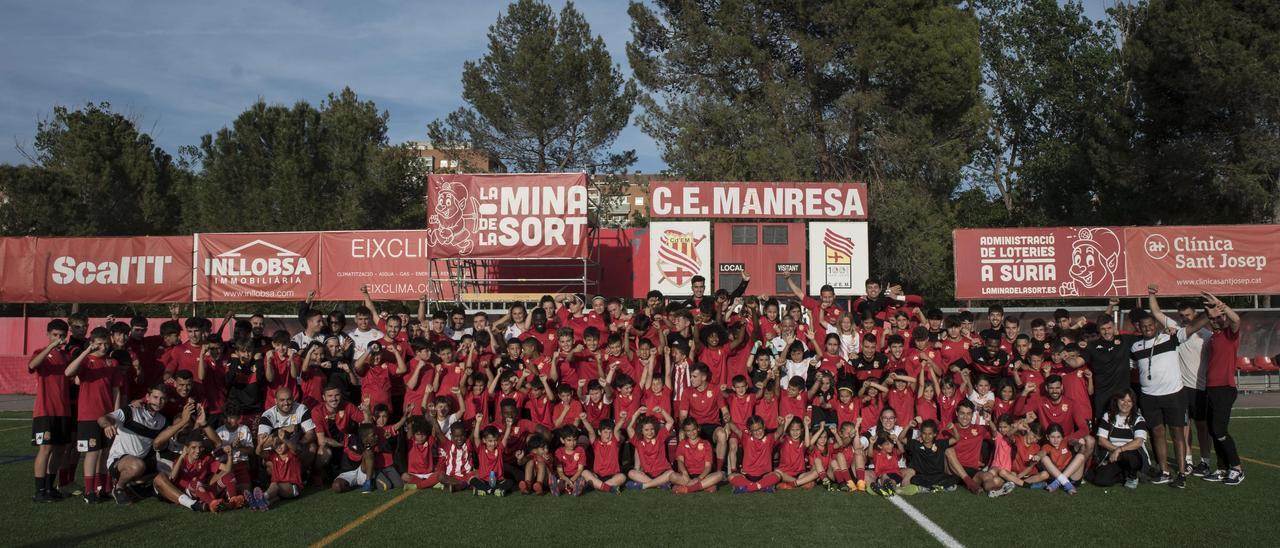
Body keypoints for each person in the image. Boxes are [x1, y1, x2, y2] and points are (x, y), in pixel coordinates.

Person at [1134, 285, 1209, 488]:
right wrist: (1150, 294)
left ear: (1156, 326)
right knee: (1157, 433)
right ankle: (1165, 470)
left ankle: (1183, 473)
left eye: (1151, 325)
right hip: (1149, 397)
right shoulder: (1135, 346)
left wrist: (1208, 312)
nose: (1148, 328)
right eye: (1143, 326)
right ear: (1138, 328)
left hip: (1174, 395)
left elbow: (1193, 327)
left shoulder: (1170, 337)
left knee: (1178, 434)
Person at [98, 385, 189, 505]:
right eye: (155, 397)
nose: (158, 401)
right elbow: (103, 418)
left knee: (171, 471)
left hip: (144, 462)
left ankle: (187, 502)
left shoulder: (162, 421)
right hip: (119, 460)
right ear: (148, 397)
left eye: (162, 399)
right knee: (137, 465)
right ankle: (119, 488)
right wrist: (107, 425)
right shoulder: (131, 411)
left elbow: (161, 442)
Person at [65, 327, 125, 503]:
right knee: (92, 452)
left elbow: (116, 391)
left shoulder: (112, 363)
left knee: (106, 452)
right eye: (99, 343)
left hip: (107, 417)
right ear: (92, 343)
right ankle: (89, 491)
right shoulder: (86, 361)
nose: (103, 347)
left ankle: (103, 488)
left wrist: (115, 416)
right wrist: (86, 352)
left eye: (106, 343)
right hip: (88, 416)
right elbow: (68, 373)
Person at [1201, 293, 1245, 485]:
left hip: (1225, 389)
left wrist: (1219, 304)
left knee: (1219, 430)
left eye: (1218, 317)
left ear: (1223, 316)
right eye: (1211, 318)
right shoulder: (1212, 337)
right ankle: (1222, 468)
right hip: (1211, 389)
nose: (1215, 320)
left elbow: (1236, 319)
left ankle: (1236, 468)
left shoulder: (1230, 333)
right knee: (1213, 430)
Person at [29, 320, 74, 503]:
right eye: (55, 335)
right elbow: (32, 365)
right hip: (45, 409)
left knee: (61, 448)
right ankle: (39, 491)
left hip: (63, 410)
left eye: (62, 335)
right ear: (48, 334)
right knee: (45, 448)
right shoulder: (40, 353)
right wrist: (51, 347)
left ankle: (49, 486)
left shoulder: (66, 357)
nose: (58, 339)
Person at [1090, 390, 1149, 489]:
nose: (1125, 404)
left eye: (1129, 401)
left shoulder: (1138, 419)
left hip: (1133, 456)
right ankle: (1124, 475)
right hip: (1114, 456)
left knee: (1128, 455)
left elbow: (1138, 442)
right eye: (1122, 400)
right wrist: (1115, 451)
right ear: (1117, 401)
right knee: (1100, 480)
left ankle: (1133, 476)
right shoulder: (1108, 416)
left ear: (1133, 403)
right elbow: (1101, 440)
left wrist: (1119, 450)